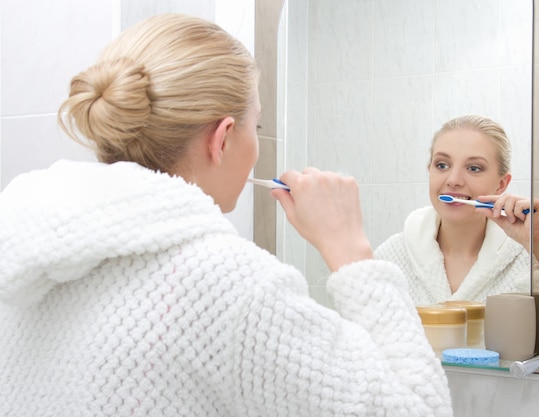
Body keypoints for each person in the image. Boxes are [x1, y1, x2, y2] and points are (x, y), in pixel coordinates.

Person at [0, 13, 452, 417]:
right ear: (222, 138)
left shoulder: (22, 251)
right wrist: (350, 250)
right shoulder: (229, 287)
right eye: (256, 126)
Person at [375, 114, 539, 346]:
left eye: (474, 168)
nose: (453, 180)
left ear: (502, 184)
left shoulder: (530, 260)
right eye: (442, 165)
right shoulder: (390, 259)